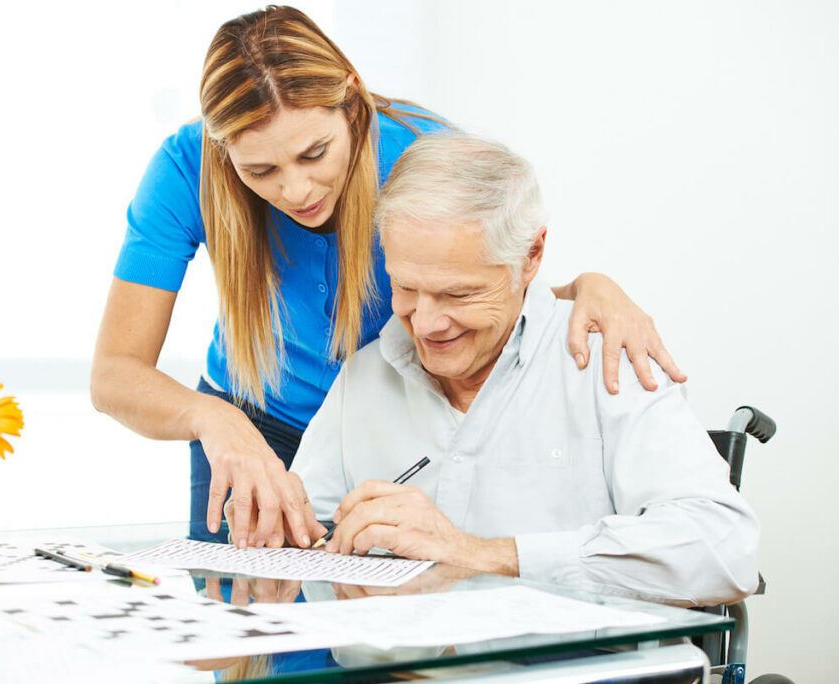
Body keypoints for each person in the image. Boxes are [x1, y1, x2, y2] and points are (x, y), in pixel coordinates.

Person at [90, 5, 686, 553]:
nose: (294, 191)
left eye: (314, 153)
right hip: (247, 432)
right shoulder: (184, 169)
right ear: (224, 152)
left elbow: (489, 291)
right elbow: (115, 374)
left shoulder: (428, 155)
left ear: (351, 102)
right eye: (260, 170)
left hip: (384, 434)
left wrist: (586, 286)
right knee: (250, 643)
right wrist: (217, 419)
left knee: (381, 641)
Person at [289, 135, 760, 606]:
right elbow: (305, 536)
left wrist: (483, 554)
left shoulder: (607, 365)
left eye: (459, 294)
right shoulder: (366, 376)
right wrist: (277, 524)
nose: (427, 324)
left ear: (531, 257)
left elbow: (723, 549)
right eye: (405, 287)